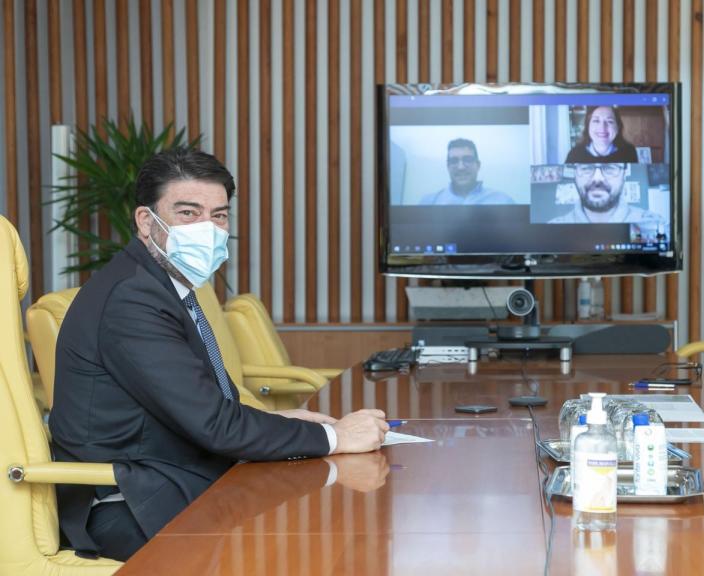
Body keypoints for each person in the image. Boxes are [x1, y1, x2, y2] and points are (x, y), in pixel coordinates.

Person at [48, 148, 390, 561]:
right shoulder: (132, 300)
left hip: (171, 474)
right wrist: (336, 437)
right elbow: (215, 425)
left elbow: (203, 408)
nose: (208, 229)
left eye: (219, 215)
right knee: (315, 542)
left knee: (324, 524)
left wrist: (276, 421)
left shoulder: (165, 287)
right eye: (188, 213)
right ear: (145, 221)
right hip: (131, 503)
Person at [548, 163, 665, 233]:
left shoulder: (656, 225)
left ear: (624, 174)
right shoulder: (551, 231)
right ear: (574, 173)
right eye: (586, 167)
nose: (597, 178)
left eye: (610, 167)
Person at [419, 138, 515, 205]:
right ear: (448, 167)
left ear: (478, 165)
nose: (461, 167)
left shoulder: (504, 200)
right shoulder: (428, 202)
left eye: (467, 160)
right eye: (454, 161)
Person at [564, 106, 639, 164]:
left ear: (618, 127)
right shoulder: (574, 155)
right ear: (588, 126)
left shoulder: (629, 152)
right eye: (596, 121)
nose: (602, 127)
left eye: (609, 121)